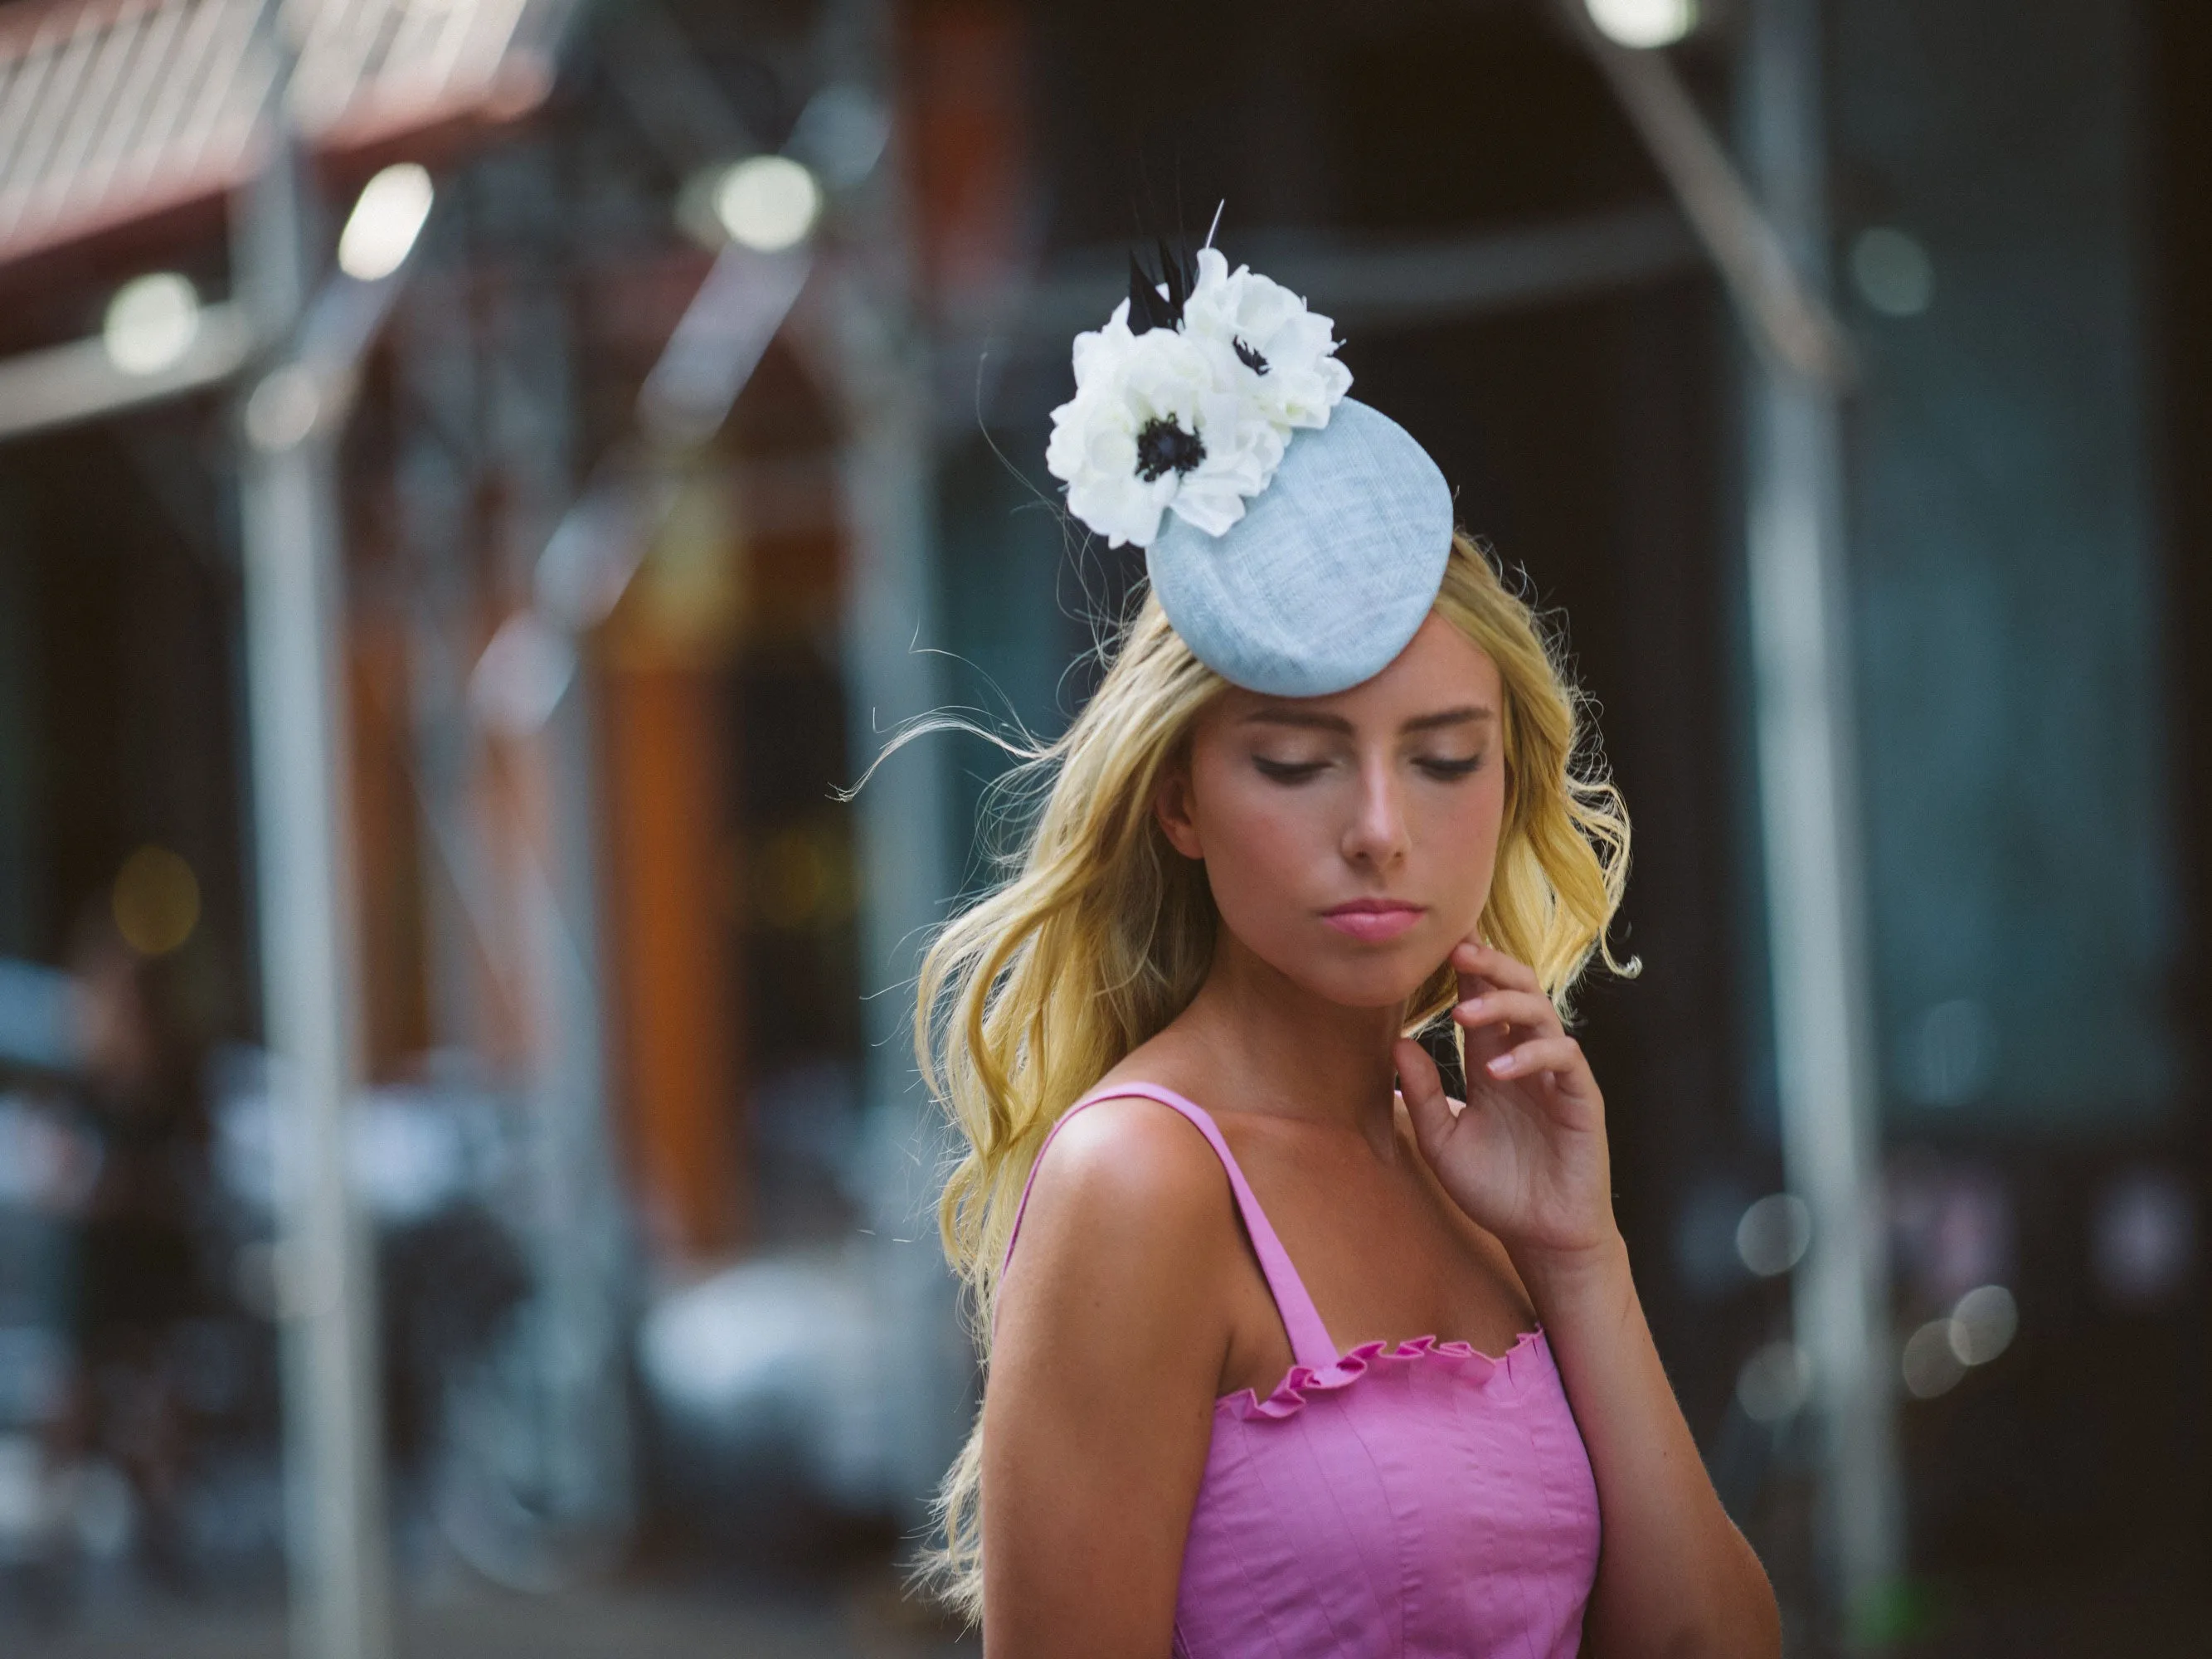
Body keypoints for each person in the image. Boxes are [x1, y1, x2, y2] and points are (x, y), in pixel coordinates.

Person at [901, 238, 1782, 1656]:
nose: (1378, 830)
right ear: (1178, 797)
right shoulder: (1142, 1181)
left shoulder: (1468, 1168)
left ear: (1508, 789)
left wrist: (1577, 1252)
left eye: (1442, 761)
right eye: (1298, 765)